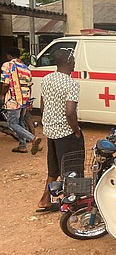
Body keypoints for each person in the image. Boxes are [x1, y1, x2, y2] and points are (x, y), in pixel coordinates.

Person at [36, 49, 83, 212]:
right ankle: (72, 205)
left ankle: (45, 200)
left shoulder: (47, 79)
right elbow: (70, 112)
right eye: (74, 60)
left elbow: (43, 106)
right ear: (68, 62)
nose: (75, 63)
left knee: (54, 168)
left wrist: (49, 123)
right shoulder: (71, 84)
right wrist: (76, 131)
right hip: (66, 133)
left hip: (51, 131)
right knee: (73, 169)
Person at [1, 47, 41, 154]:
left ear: (9, 56)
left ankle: (32, 138)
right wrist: (27, 101)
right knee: (20, 121)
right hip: (24, 99)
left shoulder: (7, 65)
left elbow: (5, 84)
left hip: (13, 100)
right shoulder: (25, 68)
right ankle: (22, 146)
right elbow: (29, 85)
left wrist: (2, 95)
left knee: (12, 123)